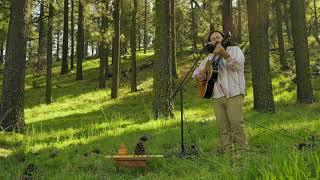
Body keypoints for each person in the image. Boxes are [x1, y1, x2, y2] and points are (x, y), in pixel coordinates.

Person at [192, 31, 247, 152]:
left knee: (236, 124)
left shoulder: (235, 50)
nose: (215, 39)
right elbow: (195, 72)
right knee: (223, 127)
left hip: (234, 93)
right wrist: (198, 77)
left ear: (223, 39)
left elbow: (238, 65)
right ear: (210, 43)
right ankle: (228, 151)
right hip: (217, 95)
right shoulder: (209, 58)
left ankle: (243, 152)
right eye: (212, 38)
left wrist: (224, 54)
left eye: (218, 37)